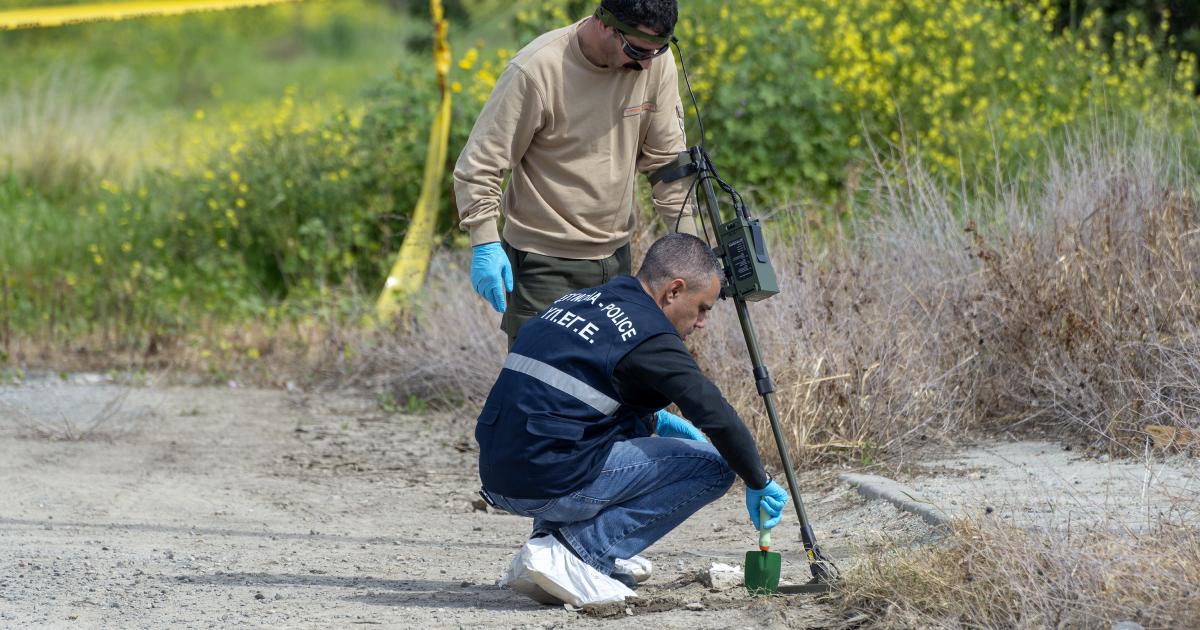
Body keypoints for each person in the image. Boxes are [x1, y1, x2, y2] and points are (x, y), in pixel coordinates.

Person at [474, 234, 791, 607]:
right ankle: (578, 552)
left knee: (609, 431)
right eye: (703, 307)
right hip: (548, 482)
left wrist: (654, 421)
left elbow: (574, 393)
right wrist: (757, 479)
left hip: (499, 475)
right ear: (674, 290)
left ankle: (547, 550)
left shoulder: (581, 300)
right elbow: (717, 415)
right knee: (715, 467)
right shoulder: (649, 335)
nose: (703, 322)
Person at [454, 0, 698, 347]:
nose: (645, 64)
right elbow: (479, 164)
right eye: (637, 50)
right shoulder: (538, 69)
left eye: (657, 52)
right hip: (543, 265)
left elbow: (667, 166)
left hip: (615, 260)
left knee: (615, 389)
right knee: (544, 390)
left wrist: (691, 251)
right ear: (605, 24)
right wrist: (484, 241)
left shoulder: (655, 62)